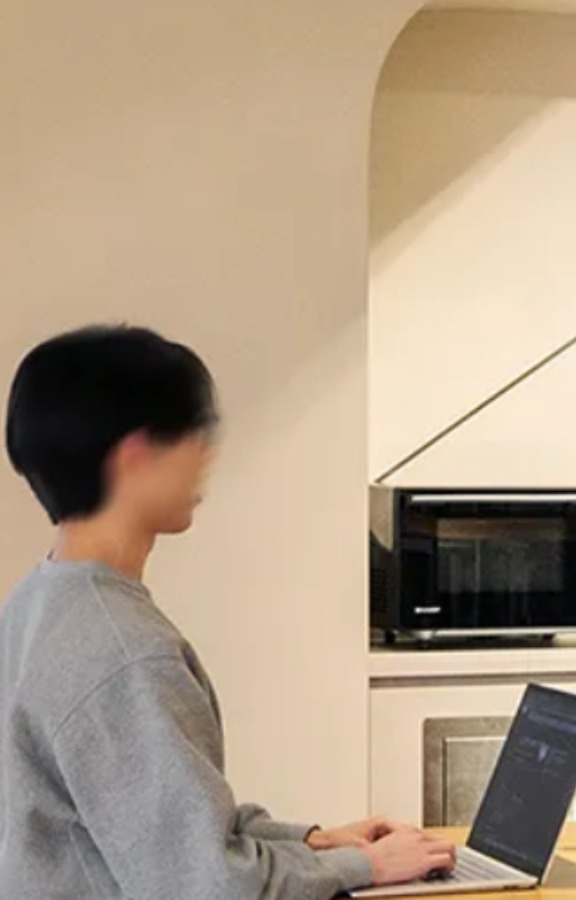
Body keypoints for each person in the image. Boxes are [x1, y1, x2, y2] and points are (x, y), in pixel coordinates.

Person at [0, 326, 456, 898]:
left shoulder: (37, 604)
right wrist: (365, 866)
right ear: (137, 456)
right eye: (195, 433)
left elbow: (155, 827)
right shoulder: (122, 652)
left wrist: (316, 842)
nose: (207, 455)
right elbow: (208, 884)